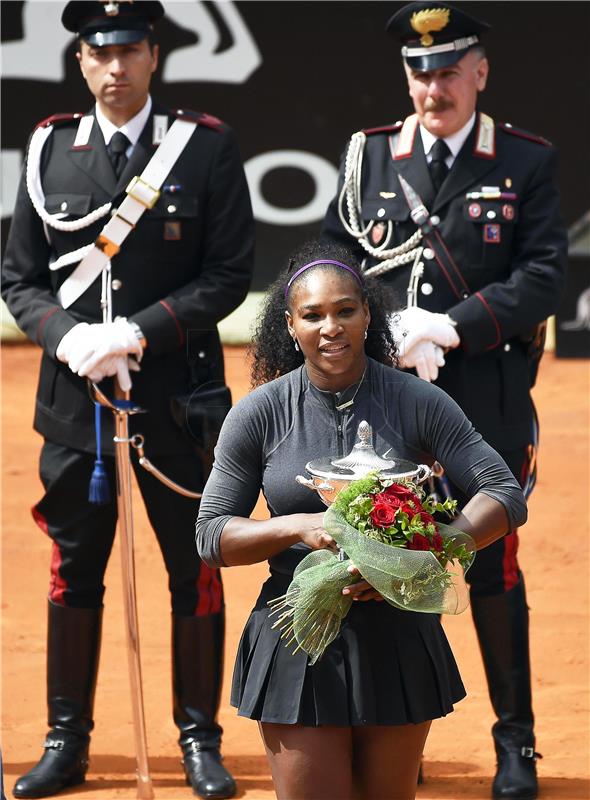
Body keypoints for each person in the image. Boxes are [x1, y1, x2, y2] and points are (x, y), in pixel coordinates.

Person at [1, 2, 254, 798]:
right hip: (77, 404)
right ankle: (66, 741)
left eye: (132, 50)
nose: (116, 67)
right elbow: (20, 278)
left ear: (153, 56)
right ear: (80, 60)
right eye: (100, 53)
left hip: (177, 399)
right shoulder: (49, 148)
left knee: (195, 566)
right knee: (74, 570)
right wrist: (67, 335)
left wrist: (137, 333)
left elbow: (228, 275)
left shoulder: (205, 147)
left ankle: (198, 741)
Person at [321, 3, 568, 797]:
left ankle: (515, 744)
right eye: (421, 71)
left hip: (482, 399)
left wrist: (453, 326)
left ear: (480, 73)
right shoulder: (369, 158)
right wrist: (390, 329)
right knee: (385, 559)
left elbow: (543, 276)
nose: (435, 86)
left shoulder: (524, 161)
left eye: (450, 69)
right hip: (386, 400)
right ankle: (399, 739)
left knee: (491, 566)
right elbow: (334, 257)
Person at [195, 240, 527, 800]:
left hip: (398, 631)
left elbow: (503, 493)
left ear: (368, 314)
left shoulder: (417, 399)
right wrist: (298, 527)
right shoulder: (259, 412)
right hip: (298, 634)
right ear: (291, 324)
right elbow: (211, 534)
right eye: (313, 315)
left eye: (346, 310)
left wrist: (433, 547)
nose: (331, 327)